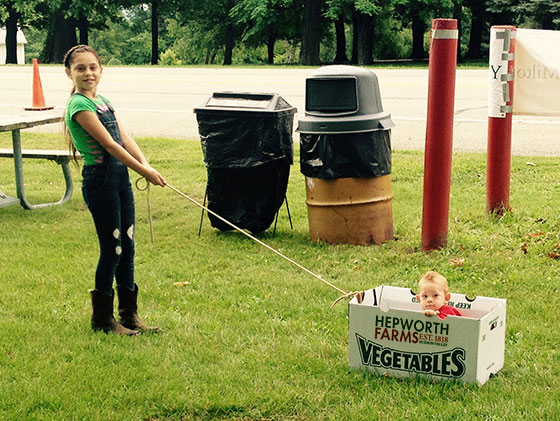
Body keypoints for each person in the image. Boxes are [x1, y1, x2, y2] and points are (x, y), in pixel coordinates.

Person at [63, 45, 166, 335]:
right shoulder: (79, 106)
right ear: (69, 73)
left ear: (101, 70)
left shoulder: (104, 102)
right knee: (113, 248)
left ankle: (129, 315)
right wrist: (144, 172)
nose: (88, 73)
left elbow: (123, 136)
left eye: (92, 67)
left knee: (128, 245)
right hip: (100, 180)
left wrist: (148, 164)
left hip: (119, 177)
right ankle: (102, 320)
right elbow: (109, 145)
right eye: (80, 68)